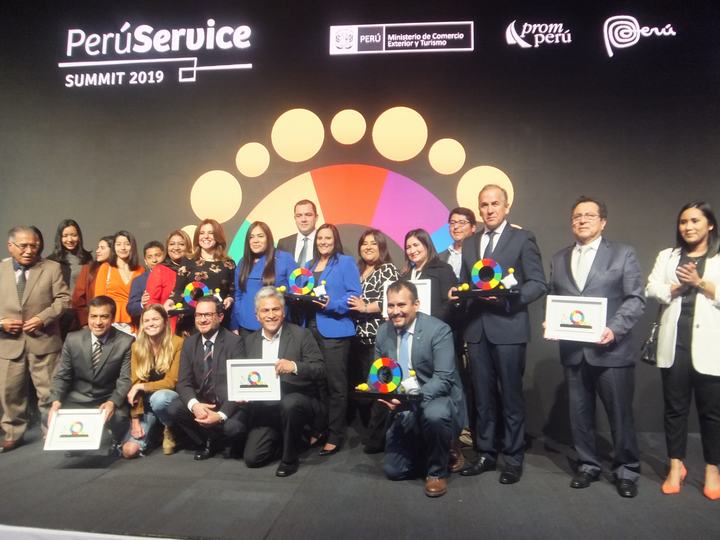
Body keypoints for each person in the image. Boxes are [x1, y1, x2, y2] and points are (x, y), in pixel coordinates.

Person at [548, 196, 645, 498]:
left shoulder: (623, 254)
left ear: (603, 222)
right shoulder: (559, 258)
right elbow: (554, 298)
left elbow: (636, 299)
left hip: (611, 351)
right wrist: (551, 321)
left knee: (620, 416)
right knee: (579, 415)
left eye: (589, 215)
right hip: (573, 351)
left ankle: (626, 469)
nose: (582, 220)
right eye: (577, 216)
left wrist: (613, 329)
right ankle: (588, 465)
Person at [455, 184, 547, 484]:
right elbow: (466, 282)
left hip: (508, 327)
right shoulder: (470, 243)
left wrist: (509, 300)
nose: (489, 209)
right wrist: (459, 293)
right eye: (484, 205)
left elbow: (538, 283)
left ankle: (513, 458)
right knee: (482, 398)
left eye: (495, 204)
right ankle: (485, 454)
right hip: (477, 331)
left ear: (507, 207)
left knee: (511, 397)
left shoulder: (522, 238)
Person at [646, 201, 720, 500]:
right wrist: (676, 287)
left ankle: (712, 469)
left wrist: (700, 283)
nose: (688, 227)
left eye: (695, 221)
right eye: (683, 222)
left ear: (710, 224)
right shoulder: (668, 256)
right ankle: (676, 467)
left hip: (710, 346)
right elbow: (652, 288)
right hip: (674, 344)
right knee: (675, 410)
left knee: (712, 413)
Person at [376, 280, 464, 497]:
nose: (395, 311)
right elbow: (380, 374)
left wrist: (411, 399)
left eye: (401, 305)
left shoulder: (439, 330)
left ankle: (437, 472)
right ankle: (435, 450)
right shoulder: (382, 332)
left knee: (435, 415)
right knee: (394, 471)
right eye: (391, 305)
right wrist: (385, 395)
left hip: (435, 397)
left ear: (416, 304)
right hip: (403, 403)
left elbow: (443, 378)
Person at [0, 226, 70, 453]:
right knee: (10, 392)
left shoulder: (51, 268)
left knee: (49, 392)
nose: (30, 250)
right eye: (24, 246)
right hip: (8, 343)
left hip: (44, 340)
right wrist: (1, 322)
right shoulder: (1, 269)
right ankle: (13, 433)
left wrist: (42, 318)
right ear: (10, 246)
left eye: (34, 245)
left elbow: (63, 299)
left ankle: (51, 430)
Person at [243, 287, 326, 477]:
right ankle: (290, 439)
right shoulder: (249, 341)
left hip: (298, 400)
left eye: (276, 309)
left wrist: (294, 366)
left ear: (283, 312)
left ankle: (289, 459)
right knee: (252, 459)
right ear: (257, 316)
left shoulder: (301, 334)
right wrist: (243, 393)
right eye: (265, 310)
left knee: (289, 404)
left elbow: (320, 369)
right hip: (266, 407)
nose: (271, 315)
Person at [301, 223, 361, 455]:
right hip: (310, 330)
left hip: (335, 330)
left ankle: (335, 435)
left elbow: (354, 294)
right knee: (317, 384)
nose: (323, 242)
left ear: (335, 240)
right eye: (320, 238)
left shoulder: (345, 262)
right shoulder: (308, 266)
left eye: (328, 238)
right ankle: (320, 429)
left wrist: (332, 304)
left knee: (336, 386)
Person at [166, 296, 248, 460]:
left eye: (208, 315)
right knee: (174, 408)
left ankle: (223, 439)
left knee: (233, 428)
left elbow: (239, 386)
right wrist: (195, 405)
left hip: (227, 403)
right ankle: (205, 441)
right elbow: (183, 383)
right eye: (198, 315)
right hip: (203, 402)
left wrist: (220, 415)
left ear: (220, 316)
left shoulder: (235, 342)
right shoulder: (189, 343)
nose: (202, 320)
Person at [48, 296, 134, 452]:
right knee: (48, 415)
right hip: (78, 399)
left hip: (106, 398)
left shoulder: (126, 342)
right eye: (93, 316)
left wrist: (112, 402)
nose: (98, 322)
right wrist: (56, 401)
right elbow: (62, 376)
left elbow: (125, 379)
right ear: (88, 317)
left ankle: (110, 436)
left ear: (112, 318)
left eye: (104, 316)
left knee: (120, 418)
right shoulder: (73, 339)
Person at [347, 228, 399, 453]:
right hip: (354, 337)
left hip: (376, 337)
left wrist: (366, 307)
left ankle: (379, 439)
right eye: (364, 243)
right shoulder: (356, 270)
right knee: (361, 388)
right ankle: (369, 432)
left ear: (382, 247)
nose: (368, 247)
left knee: (379, 387)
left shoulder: (387, 269)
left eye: (373, 243)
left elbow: (391, 299)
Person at [121, 304, 183, 458]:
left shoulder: (178, 343)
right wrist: (135, 419)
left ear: (165, 321)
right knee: (129, 450)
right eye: (146, 320)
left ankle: (170, 428)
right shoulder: (136, 347)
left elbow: (171, 382)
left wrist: (142, 386)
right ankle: (156, 431)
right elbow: (134, 385)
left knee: (159, 399)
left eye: (155, 319)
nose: (151, 323)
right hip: (145, 404)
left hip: (170, 401)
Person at [230, 221, 295, 335]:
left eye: (260, 236)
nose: (255, 240)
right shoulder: (243, 262)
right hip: (246, 327)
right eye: (251, 237)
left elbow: (296, 292)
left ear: (268, 238)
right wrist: (235, 322)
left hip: (276, 325)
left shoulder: (285, 258)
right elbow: (238, 294)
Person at [168, 219, 235, 320]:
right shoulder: (187, 260)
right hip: (190, 318)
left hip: (217, 318)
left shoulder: (228, 264)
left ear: (218, 236)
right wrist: (170, 301)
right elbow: (178, 290)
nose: (206, 236)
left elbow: (234, 290)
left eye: (210, 233)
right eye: (202, 233)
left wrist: (230, 298)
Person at [47, 219, 94, 336]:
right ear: (59, 238)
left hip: (81, 313)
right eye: (65, 236)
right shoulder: (51, 260)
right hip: (60, 313)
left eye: (74, 235)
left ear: (79, 236)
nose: (70, 239)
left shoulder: (87, 258)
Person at [401, 229, 457, 323]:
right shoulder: (405, 275)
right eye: (408, 247)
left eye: (416, 245)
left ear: (427, 245)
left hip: (437, 326)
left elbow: (448, 304)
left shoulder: (442, 269)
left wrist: (433, 323)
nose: (412, 250)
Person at [94, 231, 144, 333]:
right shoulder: (106, 268)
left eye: (127, 244)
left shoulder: (140, 270)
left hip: (134, 322)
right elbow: (99, 299)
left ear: (132, 247)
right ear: (114, 247)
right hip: (110, 321)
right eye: (118, 244)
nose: (123, 248)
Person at [146, 229, 192, 334]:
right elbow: (152, 301)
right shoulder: (160, 270)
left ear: (188, 247)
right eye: (172, 244)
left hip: (194, 324)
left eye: (181, 244)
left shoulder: (195, 269)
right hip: (168, 326)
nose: (176, 247)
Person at [73, 235, 113, 327]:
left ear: (113, 250)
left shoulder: (121, 270)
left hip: (117, 322)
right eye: (98, 247)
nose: (97, 251)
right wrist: (85, 322)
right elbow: (78, 299)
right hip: (93, 323)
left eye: (102, 248)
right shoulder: (88, 269)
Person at [127, 240, 166, 322]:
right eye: (149, 257)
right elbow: (131, 308)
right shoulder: (139, 281)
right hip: (150, 325)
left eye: (157, 255)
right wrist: (142, 304)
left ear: (164, 256)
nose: (154, 260)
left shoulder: (175, 275)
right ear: (145, 261)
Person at [277, 199, 319, 266]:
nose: (303, 219)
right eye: (299, 216)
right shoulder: (283, 243)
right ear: (295, 218)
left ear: (316, 217)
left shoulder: (326, 241)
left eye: (308, 215)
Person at [440, 208, 477, 279]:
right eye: (452, 223)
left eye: (462, 222)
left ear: (473, 227)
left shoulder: (480, 252)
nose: (456, 227)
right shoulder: (440, 257)